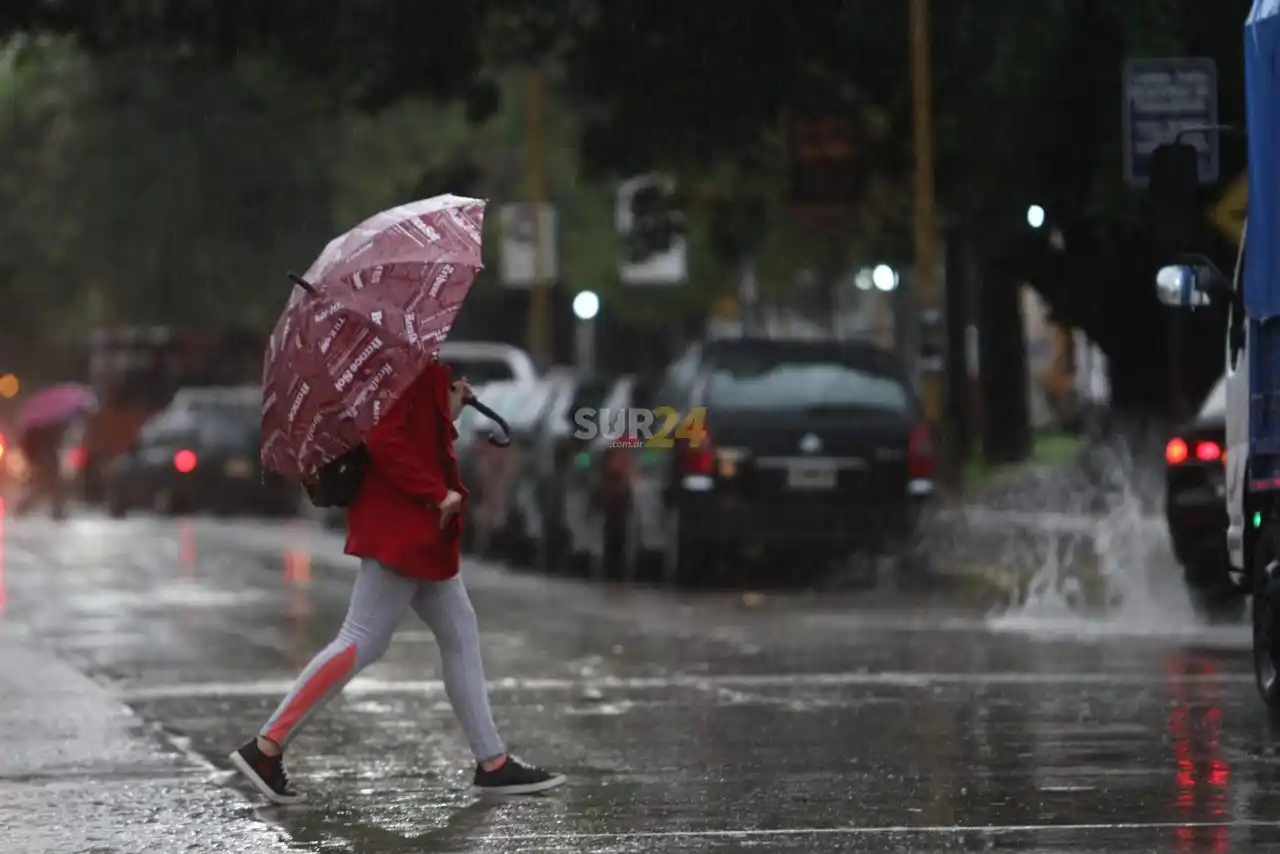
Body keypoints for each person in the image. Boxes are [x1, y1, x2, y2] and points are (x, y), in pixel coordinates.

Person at [229, 357, 565, 803]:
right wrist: (435, 492)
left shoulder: (401, 366)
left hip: (416, 530)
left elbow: (416, 438)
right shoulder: (400, 366)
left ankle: (494, 763)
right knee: (361, 638)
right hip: (405, 528)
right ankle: (266, 747)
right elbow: (386, 440)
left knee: (458, 631)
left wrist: (449, 410)